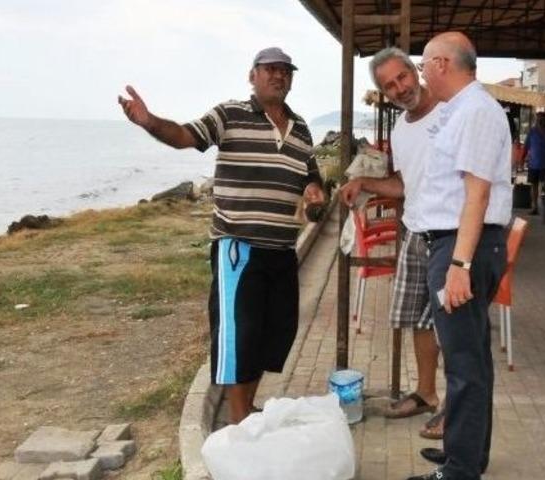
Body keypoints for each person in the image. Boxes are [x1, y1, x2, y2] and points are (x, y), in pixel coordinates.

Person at [117, 47, 325, 425]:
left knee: (275, 333)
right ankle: (240, 419)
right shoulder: (229, 114)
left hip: (281, 250)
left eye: (285, 71)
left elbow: (311, 175)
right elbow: (184, 135)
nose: (279, 76)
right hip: (238, 248)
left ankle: (246, 409)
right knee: (239, 338)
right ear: (253, 76)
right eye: (270, 70)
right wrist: (149, 121)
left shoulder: (302, 129)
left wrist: (314, 191)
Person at [407, 32, 511, 480]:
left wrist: (459, 265)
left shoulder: (475, 111)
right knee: (472, 360)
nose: (421, 73)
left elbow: (477, 194)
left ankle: (461, 469)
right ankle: (464, 454)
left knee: (464, 364)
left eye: (424, 64)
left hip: (461, 244)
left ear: (443, 63)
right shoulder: (460, 111)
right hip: (454, 242)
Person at [338, 47, 444, 431]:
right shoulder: (401, 129)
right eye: (389, 86)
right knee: (419, 319)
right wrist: (363, 181)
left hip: (449, 236)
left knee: (455, 327)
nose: (399, 88)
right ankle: (427, 393)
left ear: (415, 71)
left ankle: (460, 410)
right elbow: (403, 183)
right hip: (416, 232)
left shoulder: (451, 113)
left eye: (401, 77)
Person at [524, 111, 545, 215]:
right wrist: (522, 159)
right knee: (533, 185)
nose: (539, 121)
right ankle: (535, 207)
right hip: (533, 163)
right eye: (538, 119)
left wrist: (544, 134)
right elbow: (526, 146)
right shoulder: (532, 131)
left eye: (541, 119)